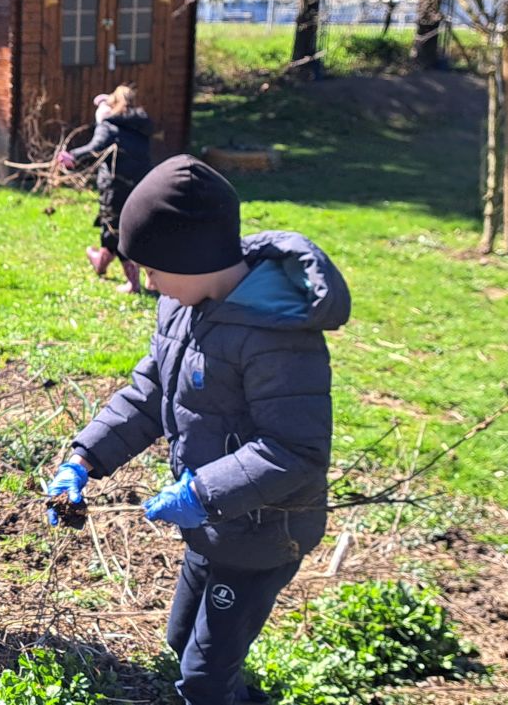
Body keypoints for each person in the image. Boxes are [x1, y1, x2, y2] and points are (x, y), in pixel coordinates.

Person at [43, 155, 351, 705]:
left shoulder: (277, 336)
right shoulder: (180, 308)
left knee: (203, 680)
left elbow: (297, 449)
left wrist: (202, 492)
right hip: (214, 523)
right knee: (181, 640)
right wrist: (83, 459)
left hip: (261, 531)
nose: (150, 281)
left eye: (156, 267)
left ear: (194, 257)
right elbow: (150, 393)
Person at [56, 85, 156, 294]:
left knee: (115, 230)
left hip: (115, 186)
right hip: (140, 185)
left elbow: (95, 146)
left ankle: (133, 283)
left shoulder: (109, 126)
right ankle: (99, 262)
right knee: (112, 228)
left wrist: (72, 156)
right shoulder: (139, 127)